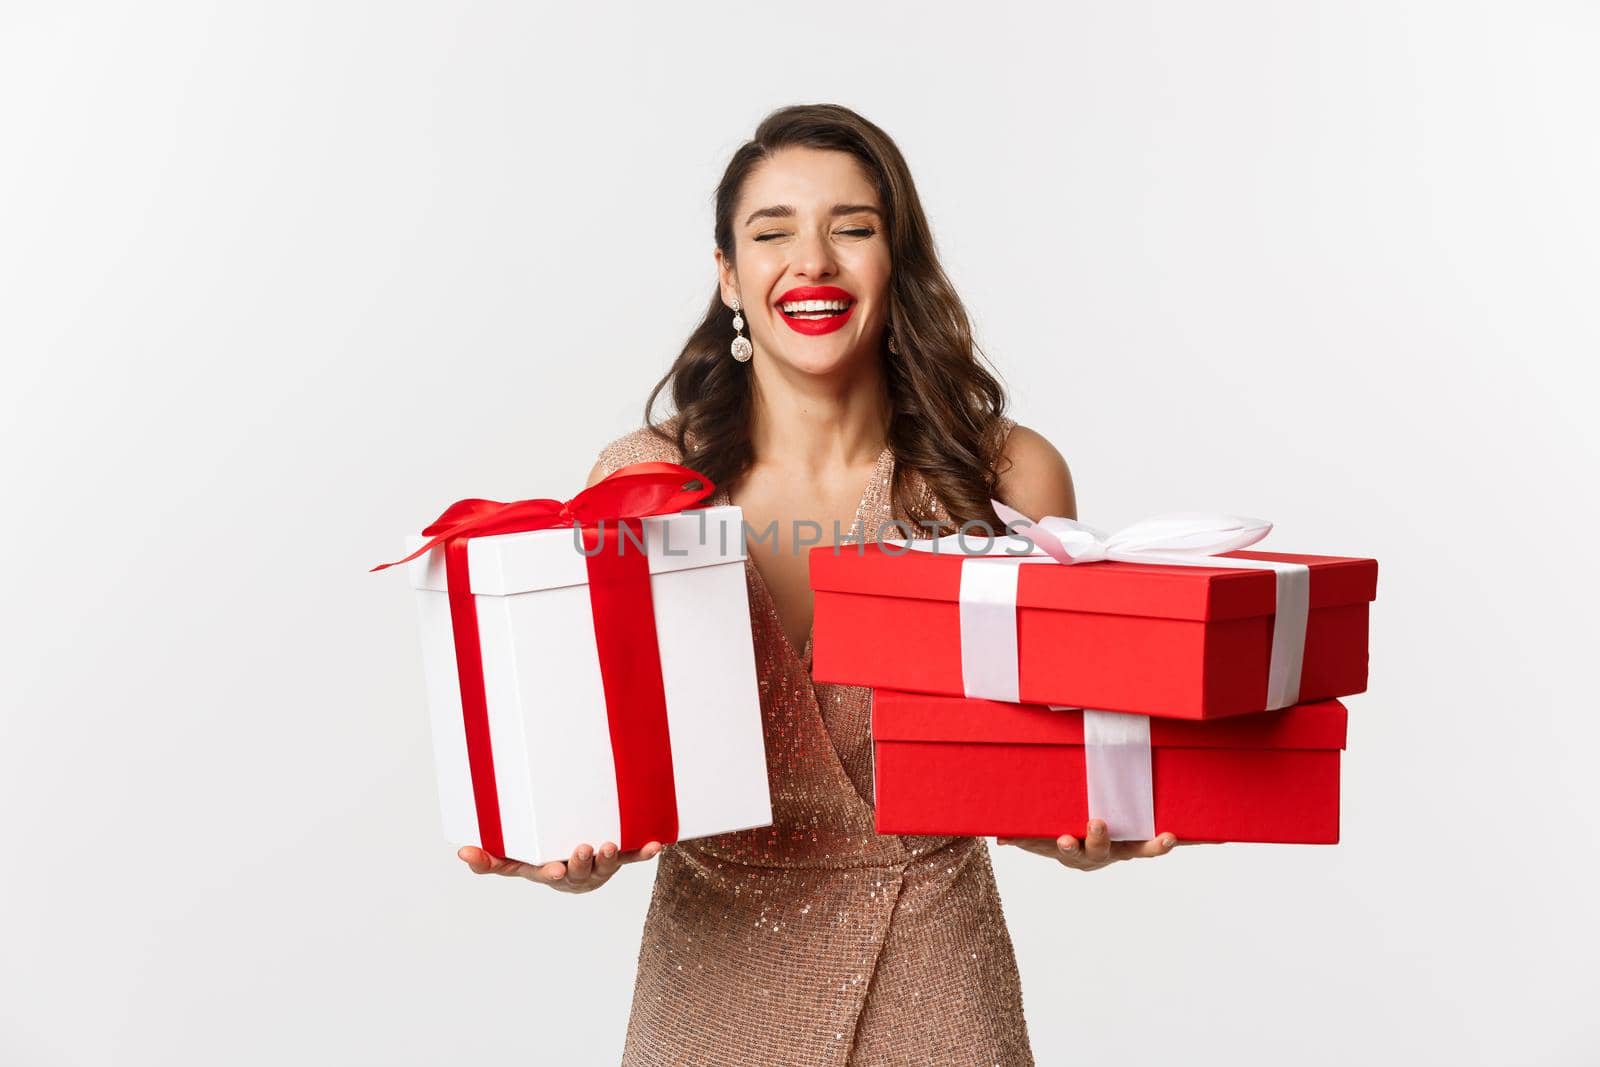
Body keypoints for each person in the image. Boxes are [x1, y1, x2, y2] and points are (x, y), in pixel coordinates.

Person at [456, 103, 1180, 1065]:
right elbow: (605, 764)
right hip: (711, 982)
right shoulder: (637, 487)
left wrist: (1070, 833)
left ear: (897, 261)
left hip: (934, 973)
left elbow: (1042, 766)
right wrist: (577, 848)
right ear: (728, 276)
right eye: (772, 233)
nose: (814, 260)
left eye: (853, 228)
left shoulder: (1006, 478)